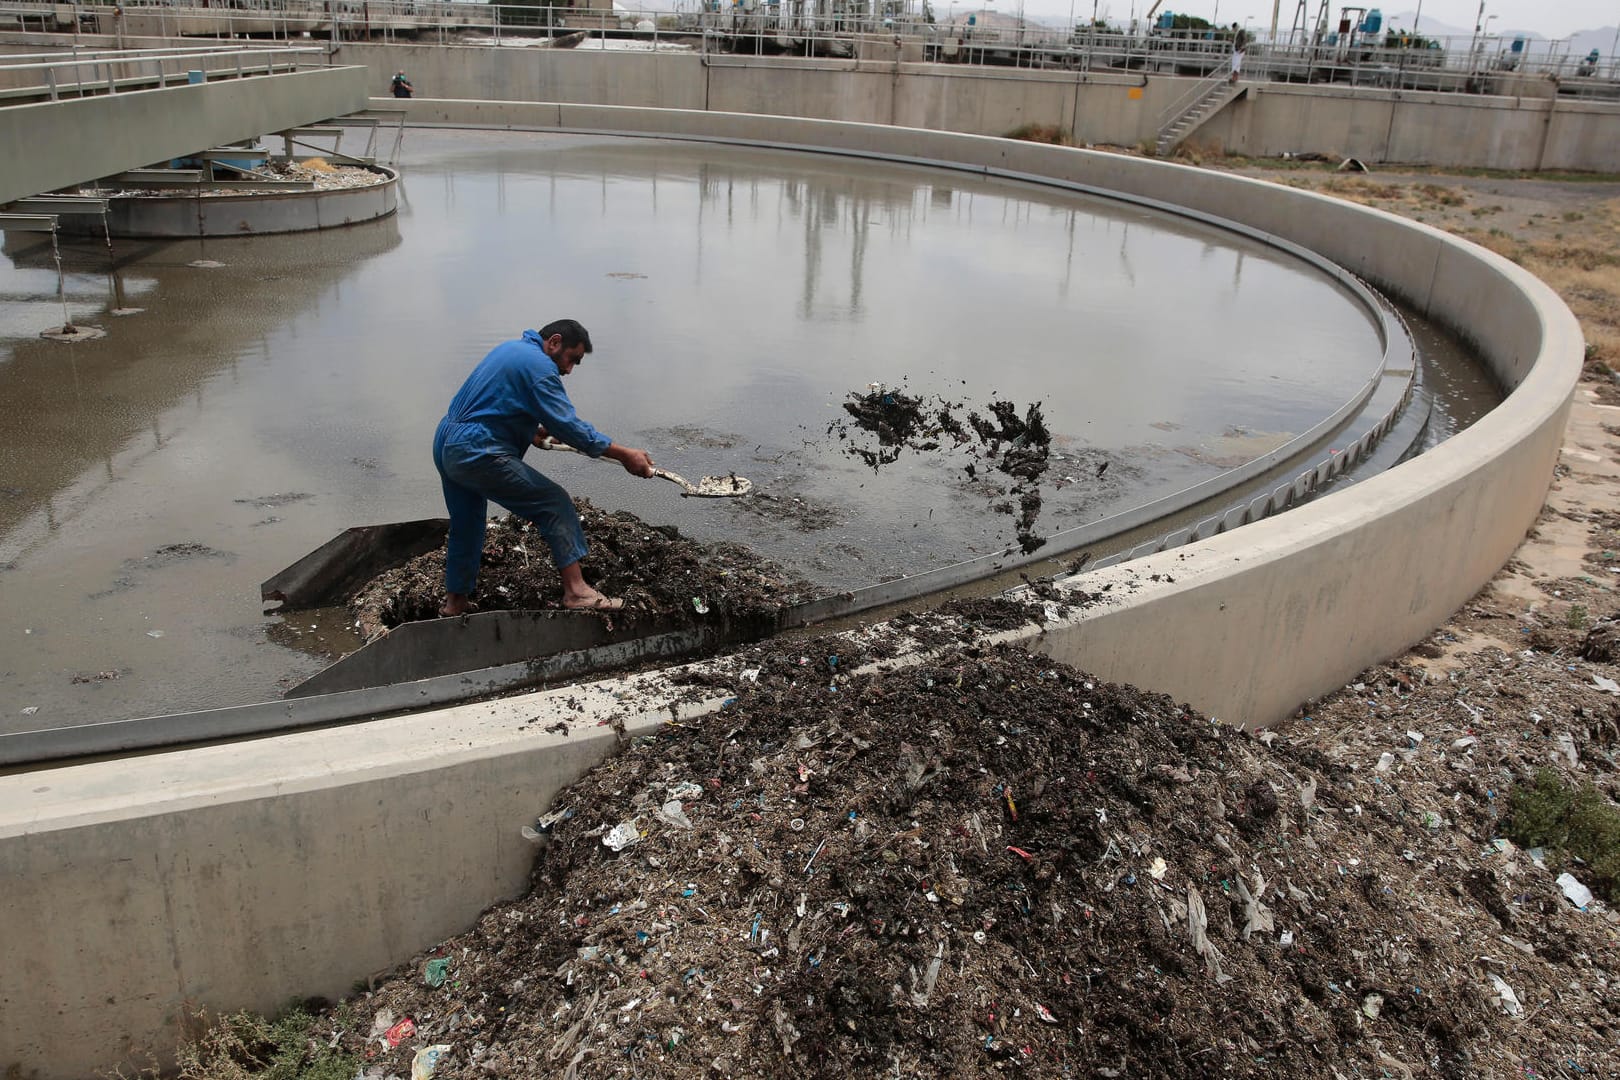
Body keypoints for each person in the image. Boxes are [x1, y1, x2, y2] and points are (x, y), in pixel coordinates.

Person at [432, 319, 654, 616]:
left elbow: (494, 405)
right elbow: (567, 425)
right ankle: (576, 592)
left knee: (466, 523)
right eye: (571, 359)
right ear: (554, 342)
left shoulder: (511, 350)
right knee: (553, 502)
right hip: (476, 450)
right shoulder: (540, 367)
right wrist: (624, 454)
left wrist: (529, 430)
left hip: (447, 443)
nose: (569, 370)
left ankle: (455, 604)